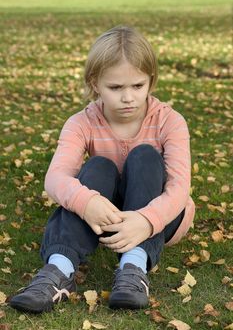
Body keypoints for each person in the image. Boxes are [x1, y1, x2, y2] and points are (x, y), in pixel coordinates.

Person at [10, 25, 195, 313]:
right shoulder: (81, 122)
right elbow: (56, 178)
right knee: (98, 166)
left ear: (151, 81)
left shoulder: (169, 121)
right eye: (115, 87)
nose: (128, 97)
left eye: (137, 86)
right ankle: (59, 270)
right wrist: (88, 202)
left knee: (145, 156)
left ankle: (134, 267)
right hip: (102, 215)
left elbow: (179, 188)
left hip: (158, 214)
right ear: (95, 83)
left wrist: (146, 221)